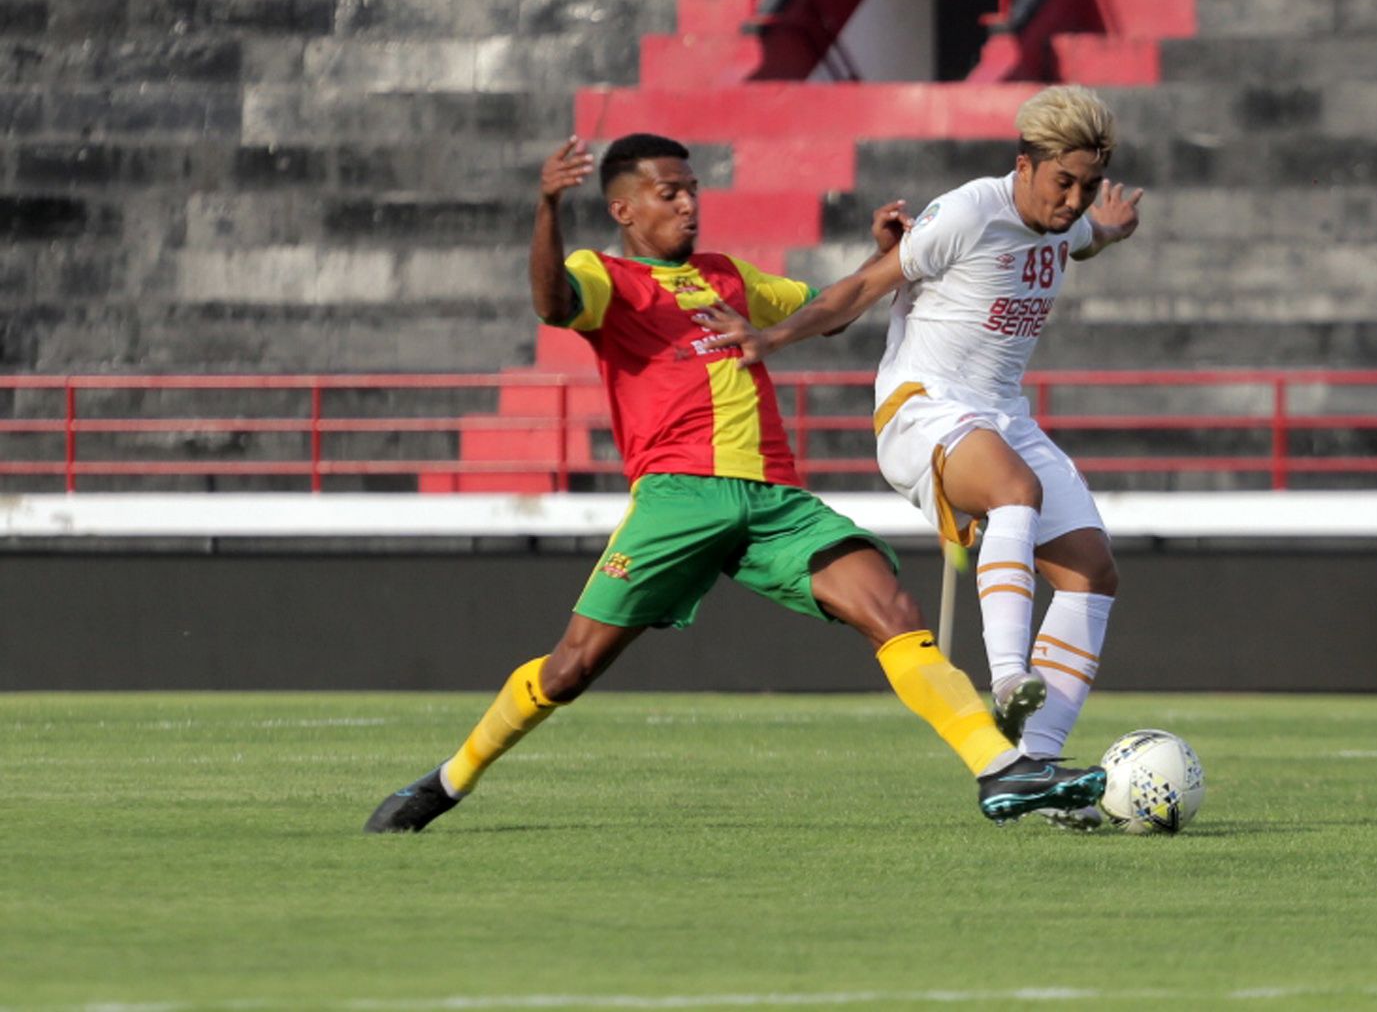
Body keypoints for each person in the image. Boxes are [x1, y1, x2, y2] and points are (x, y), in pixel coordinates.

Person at [364, 132, 1107, 833]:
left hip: (774, 503)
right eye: (668, 194)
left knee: (889, 606)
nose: (688, 204)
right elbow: (553, 303)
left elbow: (827, 310)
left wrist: (881, 255)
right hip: (678, 498)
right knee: (570, 668)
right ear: (623, 208)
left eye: (692, 191)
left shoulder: (727, 275)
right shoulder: (607, 277)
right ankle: (447, 781)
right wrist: (549, 206)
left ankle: (999, 768)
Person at [692, 86, 1143, 830]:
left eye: (1087, 186)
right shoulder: (968, 211)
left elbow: (1083, 237)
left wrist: (1111, 227)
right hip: (922, 410)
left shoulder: (1067, 224)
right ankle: (1006, 678)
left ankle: (1039, 768)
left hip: (1001, 414)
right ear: (1023, 164)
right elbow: (862, 288)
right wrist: (772, 339)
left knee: (1093, 570)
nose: (1073, 200)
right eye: (1062, 182)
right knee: (1014, 491)